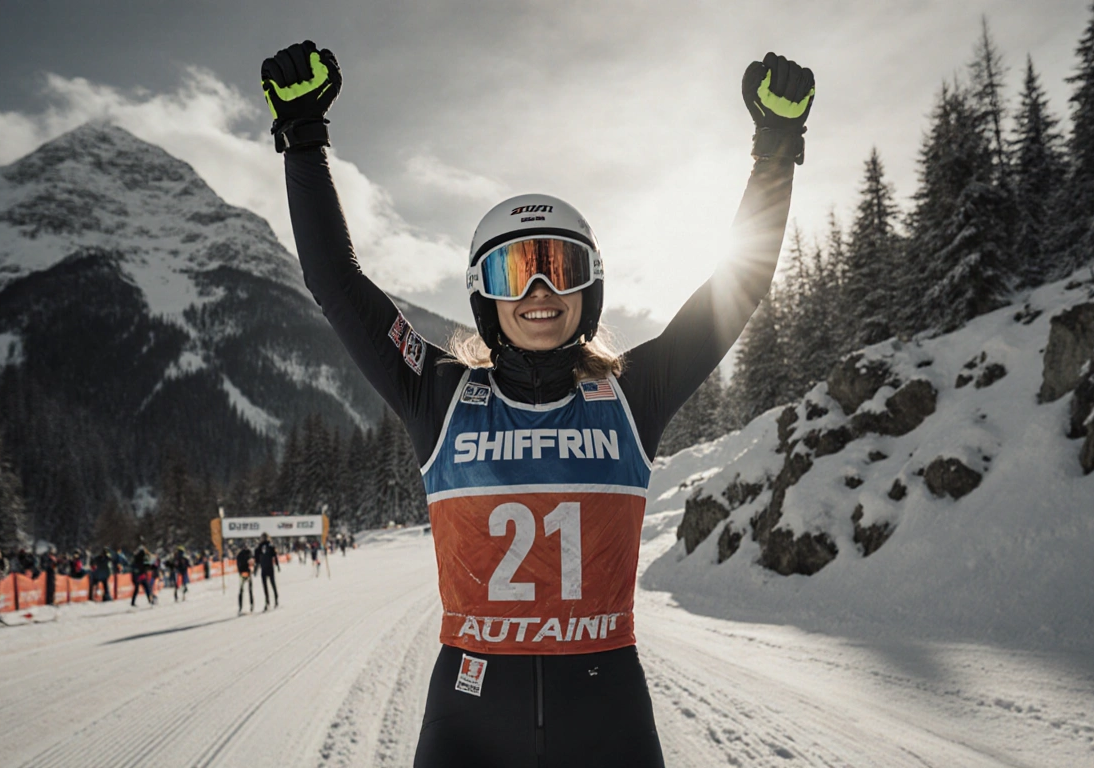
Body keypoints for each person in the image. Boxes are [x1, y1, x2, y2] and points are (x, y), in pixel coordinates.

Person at [261, 41, 812, 767]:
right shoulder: (439, 394)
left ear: (591, 288)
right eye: (514, 272)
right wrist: (303, 137)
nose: (539, 292)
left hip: (606, 713)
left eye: (560, 267)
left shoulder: (631, 393)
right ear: (483, 296)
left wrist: (776, 148)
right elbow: (337, 283)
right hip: (470, 717)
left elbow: (738, 288)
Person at [254, 533, 280, 609]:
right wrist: (277, 565)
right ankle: (271, 600)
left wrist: (256, 569)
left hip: (266, 568)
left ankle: (271, 601)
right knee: (271, 584)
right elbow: (275, 556)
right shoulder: (267, 546)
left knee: (268, 585)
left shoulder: (262, 547)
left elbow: (257, 560)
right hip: (268, 568)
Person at [236, 544, 255, 614]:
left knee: (242, 591)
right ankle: (251, 605)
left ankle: (241, 607)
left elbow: (238, 564)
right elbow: (252, 563)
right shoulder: (249, 553)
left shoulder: (240, 554)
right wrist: (251, 570)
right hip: (247, 573)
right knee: (250, 590)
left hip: (242, 573)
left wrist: (240, 572)